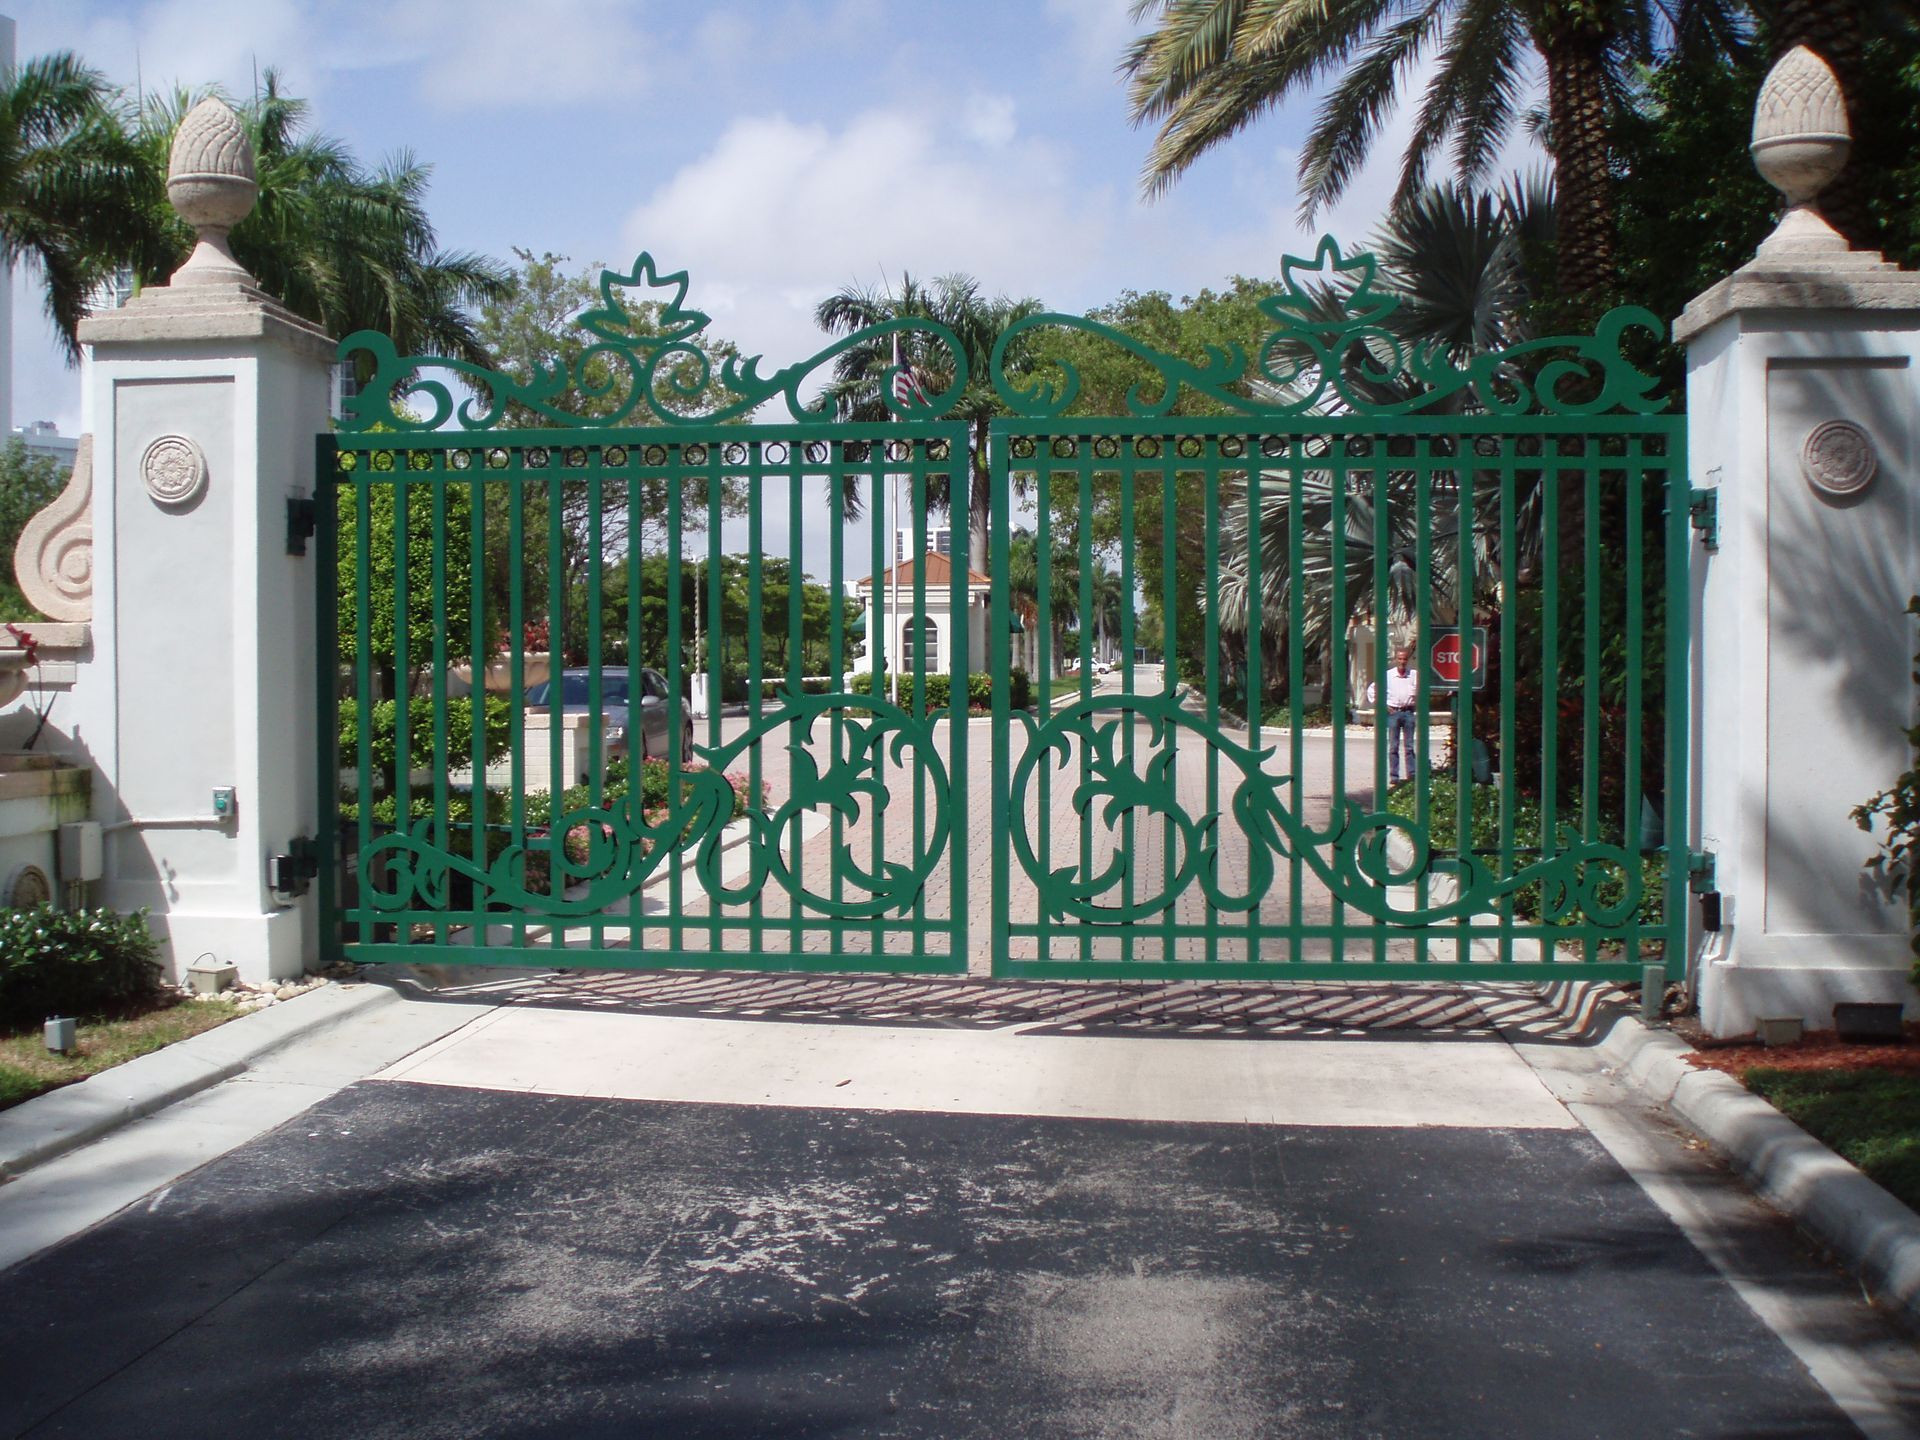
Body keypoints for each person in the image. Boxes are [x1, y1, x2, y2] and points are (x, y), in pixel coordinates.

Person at [1367, 644, 1420, 786]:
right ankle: (1394, 776)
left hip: (1408, 712)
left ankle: (1412, 774)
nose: (1402, 661)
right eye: (1400, 659)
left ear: (1408, 660)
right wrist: (1383, 706)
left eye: (1404, 659)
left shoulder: (1414, 675)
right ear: (1396, 659)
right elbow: (1372, 690)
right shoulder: (1388, 676)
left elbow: (1421, 691)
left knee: (1409, 746)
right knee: (1393, 746)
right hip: (1393, 713)